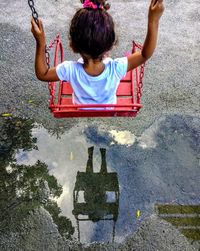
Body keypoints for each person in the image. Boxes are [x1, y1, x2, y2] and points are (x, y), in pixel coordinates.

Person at [31, 0, 164, 105]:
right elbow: (145, 54)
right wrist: (153, 20)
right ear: (110, 46)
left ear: (73, 45)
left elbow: (42, 74)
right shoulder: (116, 68)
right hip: (109, 106)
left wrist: (40, 43)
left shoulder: (69, 70)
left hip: (80, 106)